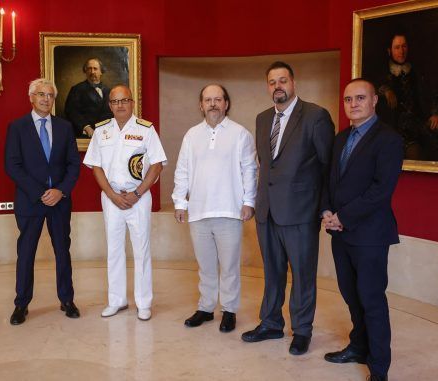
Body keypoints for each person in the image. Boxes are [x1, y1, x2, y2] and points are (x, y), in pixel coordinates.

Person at [240, 61, 334, 355]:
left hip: (301, 212)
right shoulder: (262, 118)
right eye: (272, 82)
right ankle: (270, 323)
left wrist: (324, 209)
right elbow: (265, 165)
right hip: (267, 210)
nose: (277, 86)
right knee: (272, 272)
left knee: (303, 274)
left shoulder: (316, 116)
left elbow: (327, 167)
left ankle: (302, 330)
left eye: (283, 80)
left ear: (293, 83)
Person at [320, 78, 404, 381]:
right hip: (340, 233)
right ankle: (358, 347)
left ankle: (379, 368)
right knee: (350, 295)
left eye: (359, 98)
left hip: (369, 234)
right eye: (347, 100)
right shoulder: (341, 139)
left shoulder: (389, 139)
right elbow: (330, 180)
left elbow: (382, 190)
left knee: (371, 299)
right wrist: (327, 210)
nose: (353, 105)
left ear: (374, 101)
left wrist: (344, 216)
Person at [172, 84, 257, 333]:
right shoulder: (191, 135)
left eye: (217, 99)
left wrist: (249, 201)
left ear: (226, 103)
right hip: (198, 211)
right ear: (201, 105)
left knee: (229, 266)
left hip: (229, 210)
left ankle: (229, 310)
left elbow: (249, 170)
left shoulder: (240, 134)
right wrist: (180, 201)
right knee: (206, 265)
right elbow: (182, 170)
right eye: (208, 100)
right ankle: (206, 308)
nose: (212, 104)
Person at [83, 85, 166, 321]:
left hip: (138, 198)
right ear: (109, 105)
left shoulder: (146, 130)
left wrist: (137, 193)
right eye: (115, 101)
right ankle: (116, 300)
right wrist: (111, 194)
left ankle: (143, 303)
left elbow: (157, 165)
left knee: (141, 250)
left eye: (124, 100)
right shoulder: (101, 131)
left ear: (132, 103)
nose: (120, 105)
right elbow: (96, 166)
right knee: (114, 250)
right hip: (111, 198)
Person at [4, 78, 81, 325]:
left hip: (59, 201)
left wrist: (60, 191)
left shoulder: (64, 127)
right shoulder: (17, 127)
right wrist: (40, 193)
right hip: (30, 201)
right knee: (26, 253)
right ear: (31, 97)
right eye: (41, 94)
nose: (46, 99)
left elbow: (73, 165)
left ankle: (67, 300)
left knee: (62, 251)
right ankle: (21, 304)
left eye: (50, 95)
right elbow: (12, 166)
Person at [376, 32, 438, 161]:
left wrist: (435, 113)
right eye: (397, 47)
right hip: (392, 128)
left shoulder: (417, 72)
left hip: (417, 126)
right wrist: (385, 90)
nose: (401, 51)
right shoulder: (382, 73)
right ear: (389, 51)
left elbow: (431, 93)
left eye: (404, 46)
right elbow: (372, 91)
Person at [64, 57, 113, 138]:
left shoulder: (109, 91)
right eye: (89, 69)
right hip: (86, 134)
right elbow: (71, 111)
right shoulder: (77, 89)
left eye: (95, 69)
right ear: (85, 71)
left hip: (106, 134)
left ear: (101, 71)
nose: (92, 72)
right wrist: (86, 127)